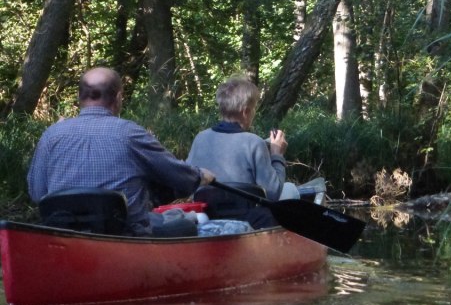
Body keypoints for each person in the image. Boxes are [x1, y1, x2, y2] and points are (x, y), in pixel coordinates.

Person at [27, 66, 216, 236]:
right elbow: (176, 174)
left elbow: (37, 193)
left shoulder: (51, 135)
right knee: (189, 226)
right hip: (125, 236)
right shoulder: (130, 134)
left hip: (64, 237)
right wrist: (200, 176)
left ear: (79, 97)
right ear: (117, 98)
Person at [187, 76, 296, 202]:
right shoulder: (254, 143)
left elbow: (188, 180)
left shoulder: (200, 138)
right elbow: (272, 194)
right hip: (246, 215)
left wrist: (265, 146)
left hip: (208, 212)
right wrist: (277, 155)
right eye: (254, 108)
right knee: (291, 189)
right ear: (246, 112)